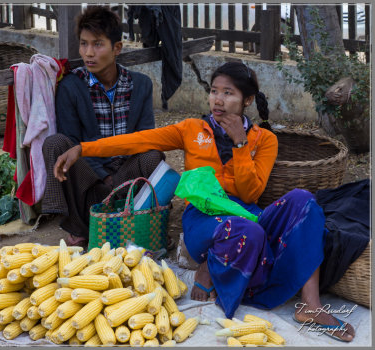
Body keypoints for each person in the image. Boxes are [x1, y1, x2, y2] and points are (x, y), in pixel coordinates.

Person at [53, 61, 355, 342]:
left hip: (246, 213)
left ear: (247, 100)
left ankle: (310, 306)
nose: (218, 100)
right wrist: (83, 149)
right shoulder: (191, 130)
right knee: (249, 233)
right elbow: (139, 140)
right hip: (203, 220)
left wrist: (240, 144)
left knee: (305, 201)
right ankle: (209, 265)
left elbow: (250, 194)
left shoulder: (264, 140)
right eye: (214, 92)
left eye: (228, 93)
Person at [41, 6, 164, 249]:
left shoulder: (140, 84)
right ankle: (77, 225)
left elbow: (146, 137)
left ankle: (144, 222)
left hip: (126, 173)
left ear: (116, 48)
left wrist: (117, 176)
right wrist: (104, 175)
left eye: (97, 44)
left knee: (154, 156)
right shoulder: (71, 86)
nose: (88, 53)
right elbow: (73, 140)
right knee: (56, 143)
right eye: (84, 44)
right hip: (89, 174)